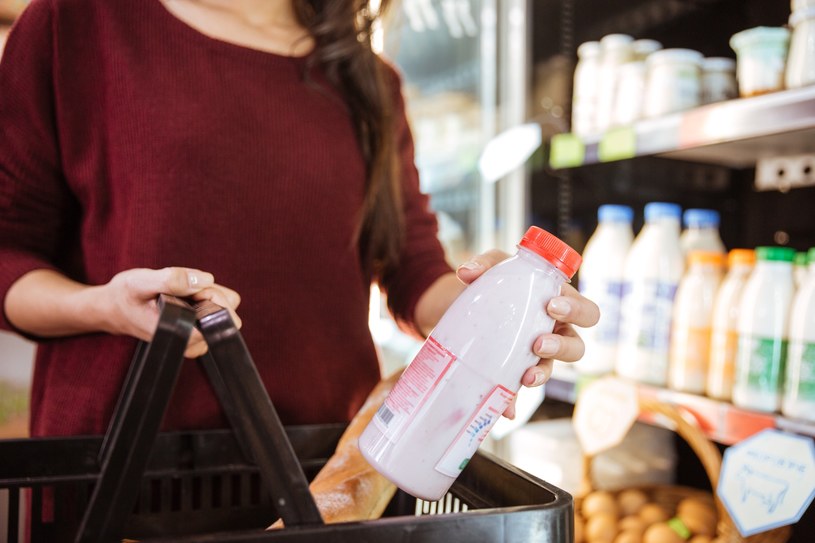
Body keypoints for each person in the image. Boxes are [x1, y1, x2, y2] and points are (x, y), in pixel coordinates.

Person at [0, 0, 599, 440]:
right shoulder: (76, 24)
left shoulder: (369, 80)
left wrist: (502, 310)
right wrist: (103, 305)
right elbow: (9, 255)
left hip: (323, 463)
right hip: (118, 461)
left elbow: (412, 266)